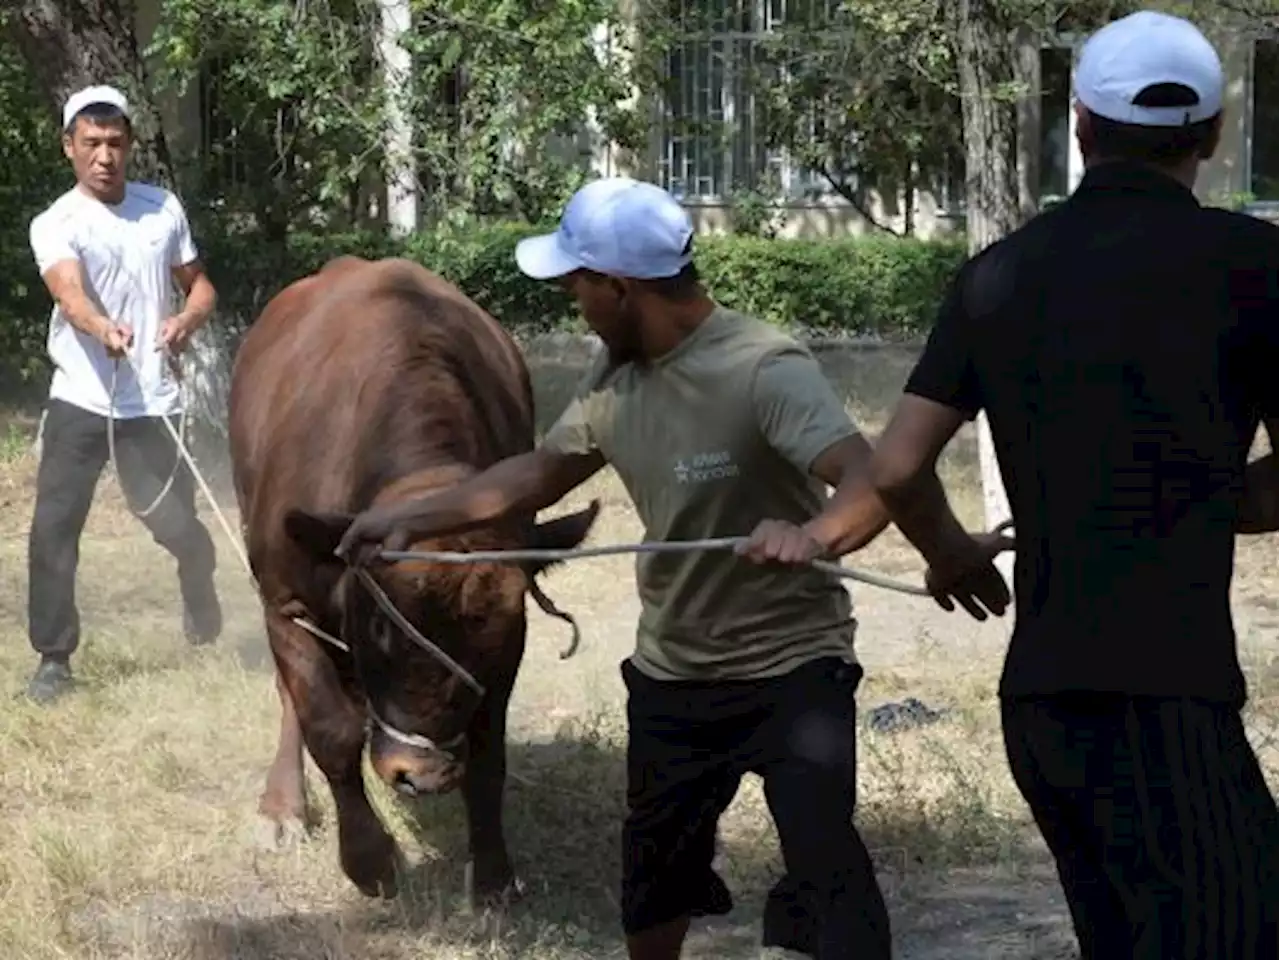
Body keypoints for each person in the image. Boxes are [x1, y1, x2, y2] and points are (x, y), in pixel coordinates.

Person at [747, 10, 1280, 958]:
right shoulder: (1256, 268)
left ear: (1079, 123)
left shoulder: (998, 276)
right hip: (1174, 695)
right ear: (1213, 134)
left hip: (1042, 705)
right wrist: (1215, 499)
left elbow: (900, 466)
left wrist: (943, 552)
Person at [335, 176, 915, 959]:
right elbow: (540, 474)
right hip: (674, 673)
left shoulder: (762, 368)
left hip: (792, 671)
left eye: (577, 285)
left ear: (618, 287)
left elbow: (869, 479)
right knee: (653, 882)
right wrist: (408, 516)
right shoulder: (615, 381)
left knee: (827, 872)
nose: (573, 300)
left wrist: (815, 535)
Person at [25, 84, 222, 704]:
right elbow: (69, 293)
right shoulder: (56, 222)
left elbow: (201, 289)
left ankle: (200, 586)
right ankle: (54, 659)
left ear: (130, 145)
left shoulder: (161, 208)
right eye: (91, 144)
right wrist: (101, 327)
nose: (104, 156)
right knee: (54, 528)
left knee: (175, 525)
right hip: (81, 401)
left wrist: (184, 322)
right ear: (69, 147)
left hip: (154, 405)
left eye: (115, 143)